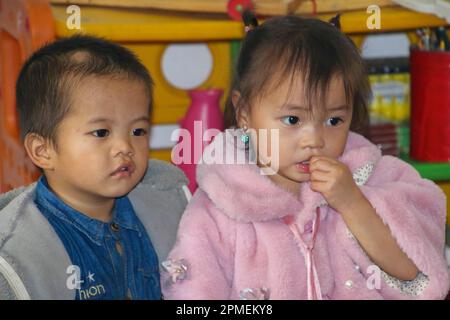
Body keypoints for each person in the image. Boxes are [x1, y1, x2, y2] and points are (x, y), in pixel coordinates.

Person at [161, 13, 449, 299]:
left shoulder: (373, 177)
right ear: (244, 112)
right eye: (292, 120)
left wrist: (353, 203)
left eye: (334, 120)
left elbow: (419, 279)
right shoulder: (220, 205)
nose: (314, 140)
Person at [0, 35, 190, 300]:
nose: (125, 146)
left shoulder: (168, 203)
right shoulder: (19, 252)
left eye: (138, 130)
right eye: (101, 132)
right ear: (43, 151)